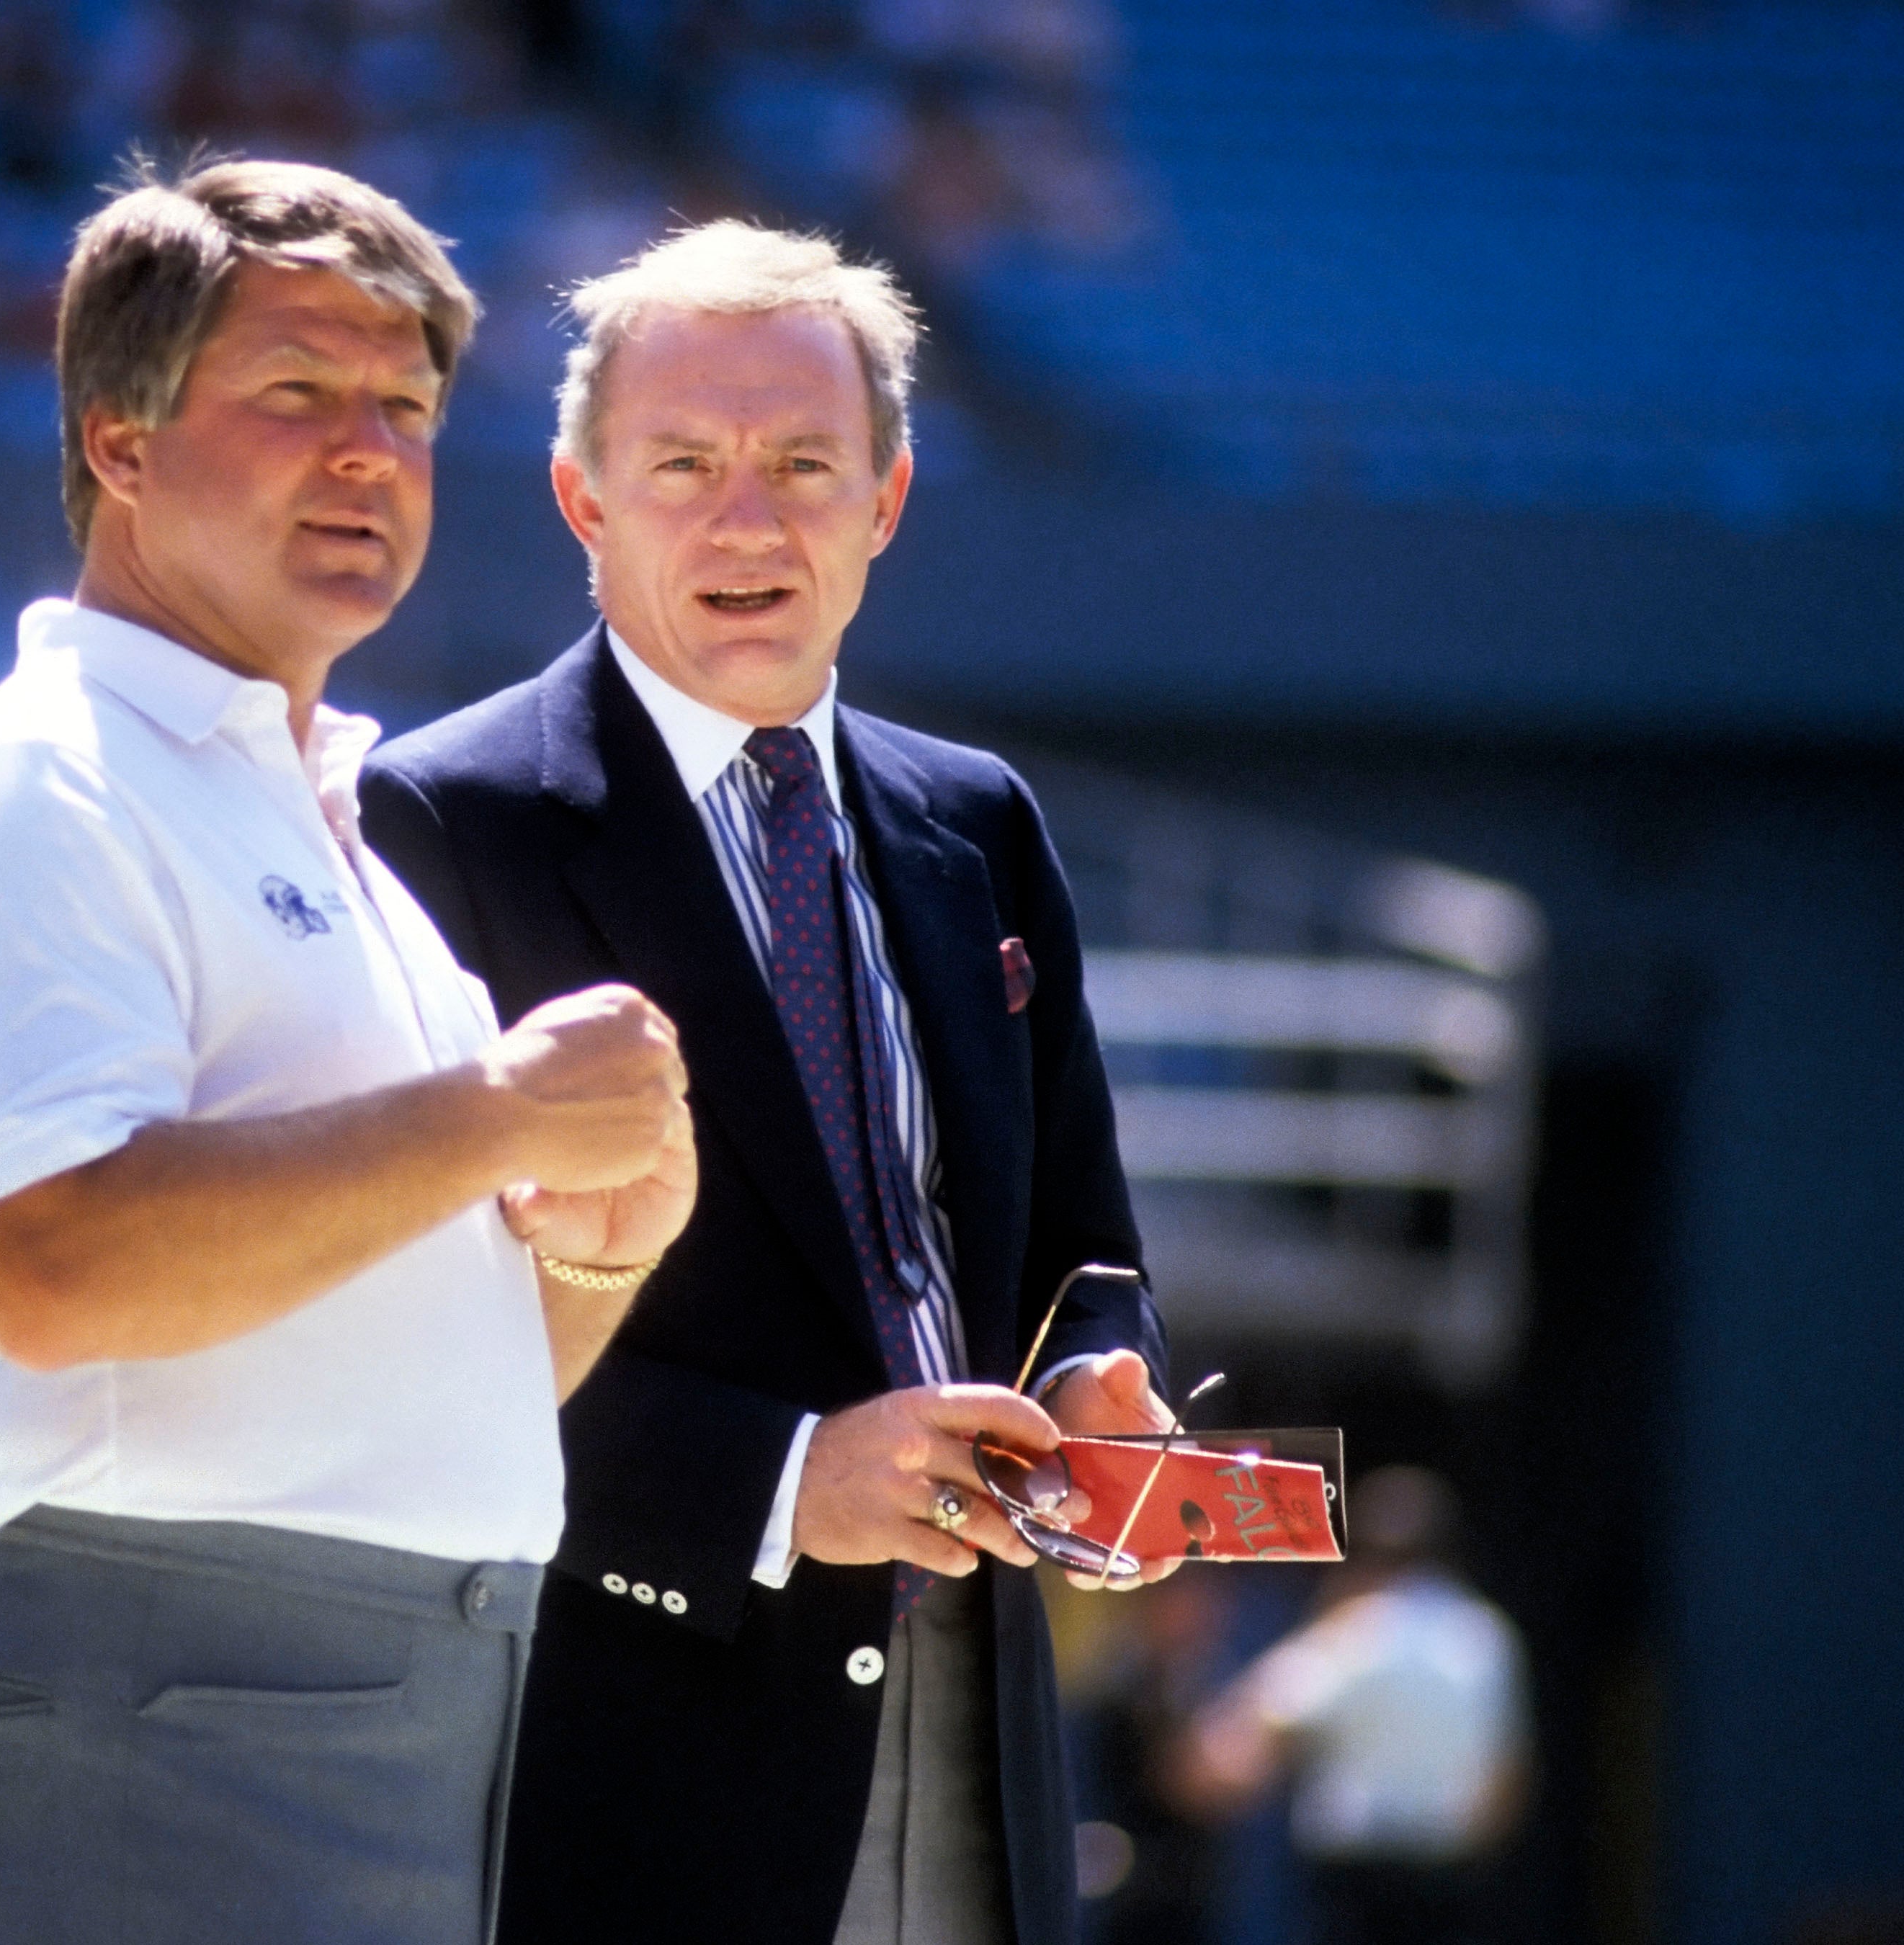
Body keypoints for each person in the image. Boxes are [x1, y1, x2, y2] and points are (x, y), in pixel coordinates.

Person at [0, 159, 697, 1945]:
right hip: (179, 1691)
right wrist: (496, 1115)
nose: (369, 451)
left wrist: (595, 1251)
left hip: (357, 1693)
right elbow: (59, 1267)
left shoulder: (306, 819)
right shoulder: (40, 779)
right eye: (297, 393)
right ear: (120, 443)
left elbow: (416, 1375)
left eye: (406, 406)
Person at [359, 220, 1174, 1945]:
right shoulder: (443, 825)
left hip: (980, 1743)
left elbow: (1083, 1247)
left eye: (806, 463)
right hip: (634, 1761)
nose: (750, 518)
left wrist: (1110, 1381)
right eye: (686, 465)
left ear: (886, 499)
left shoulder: (982, 823)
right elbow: (403, 1346)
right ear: (584, 501)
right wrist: (787, 1475)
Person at [1177, 1467, 1532, 1945]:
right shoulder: (1487, 1636)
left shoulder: (1356, 1629)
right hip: (1452, 1883)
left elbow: (1246, 1735)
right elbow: (1508, 1782)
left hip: (1359, 1887)